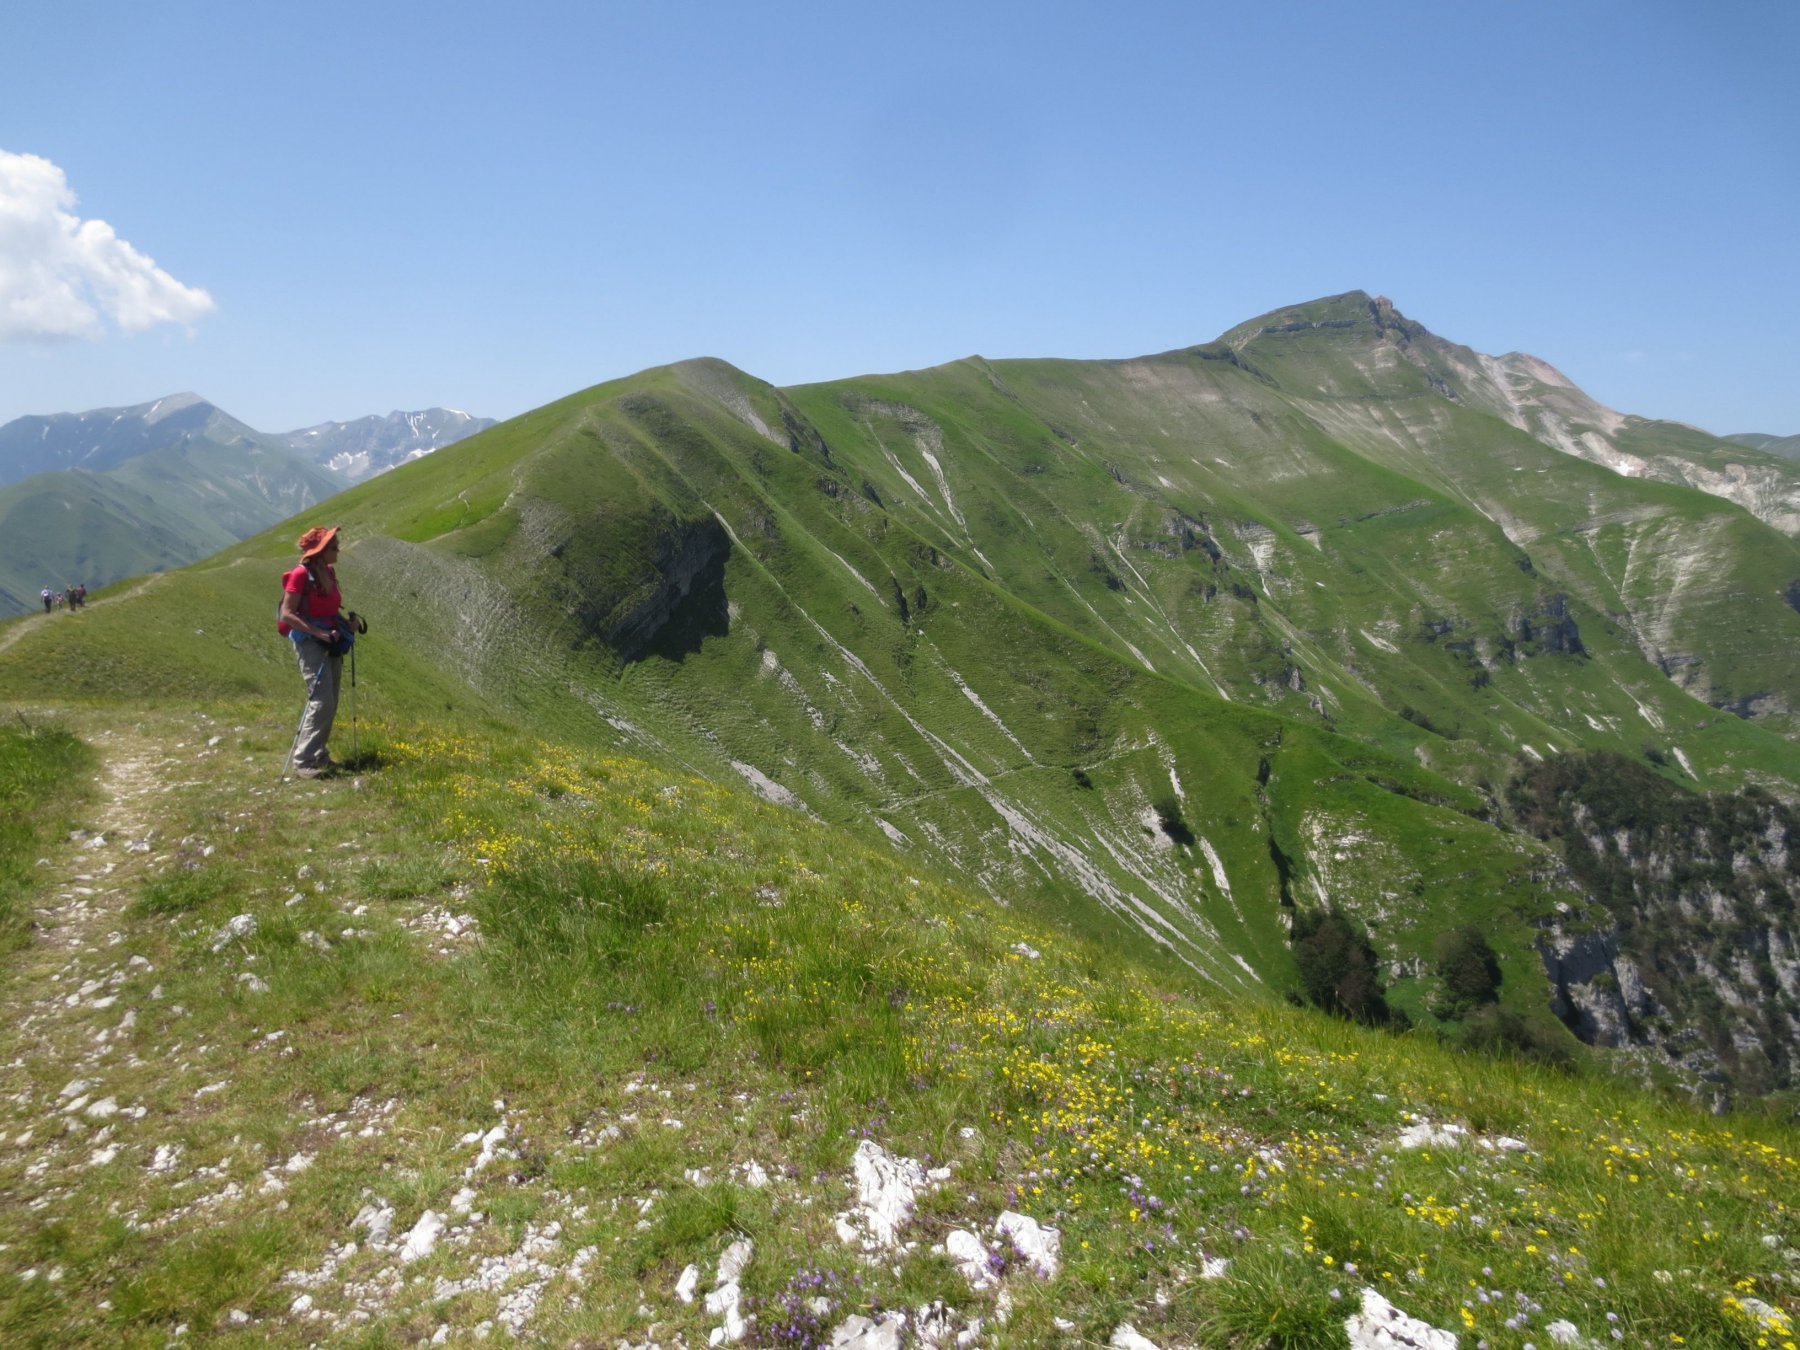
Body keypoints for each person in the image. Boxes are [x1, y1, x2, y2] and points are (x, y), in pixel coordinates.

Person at [279, 525, 356, 778]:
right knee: (321, 700)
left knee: (331, 699)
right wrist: (317, 632)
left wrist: (347, 624)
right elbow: (287, 614)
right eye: (334, 546)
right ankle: (303, 761)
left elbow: (330, 610)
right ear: (321, 551)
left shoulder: (328, 573)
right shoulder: (301, 575)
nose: (338, 550)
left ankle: (319, 754)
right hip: (310, 642)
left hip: (330, 639)